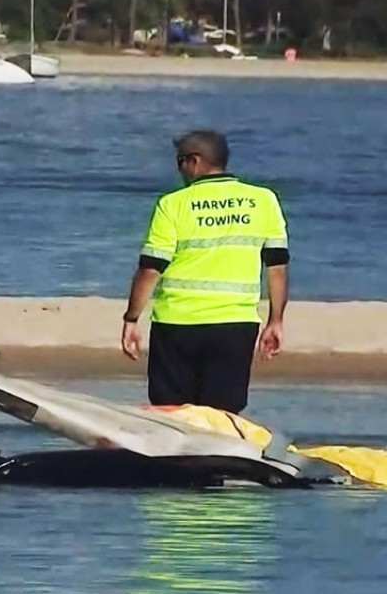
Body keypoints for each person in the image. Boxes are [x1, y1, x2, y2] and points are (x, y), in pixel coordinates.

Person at [120, 130, 289, 414]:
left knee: (172, 413)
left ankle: (173, 460)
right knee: (222, 415)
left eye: (180, 162)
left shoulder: (173, 204)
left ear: (194, 162)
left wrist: (131, 318)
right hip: (235, 325)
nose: (179, 170)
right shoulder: (264, 200)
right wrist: (276, 320)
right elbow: (277, 266)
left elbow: (151, 268)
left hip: (177, 324)